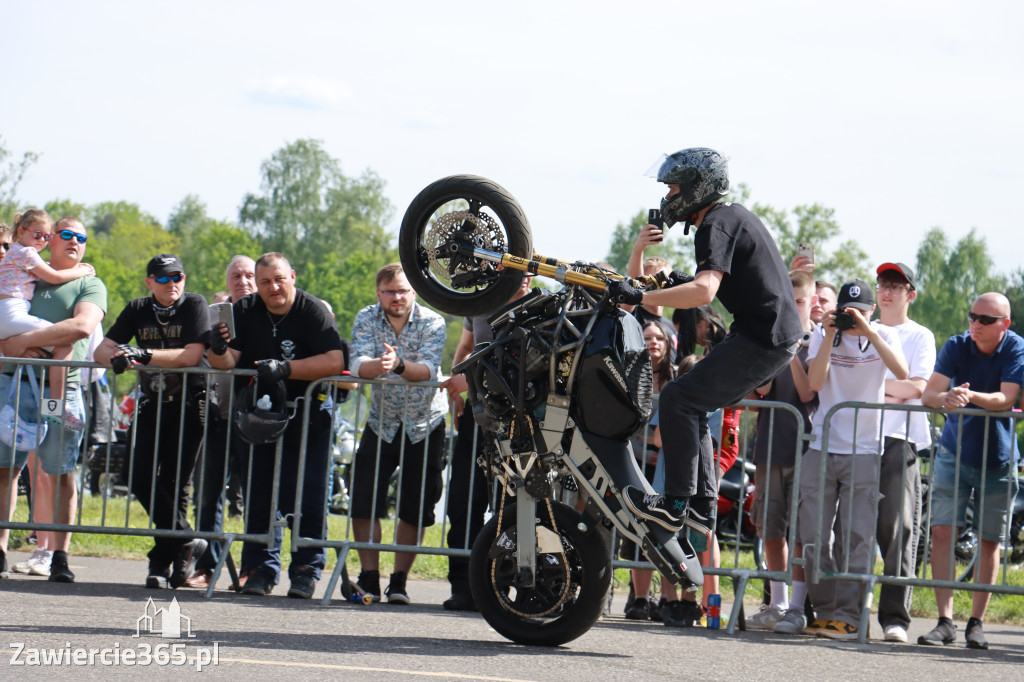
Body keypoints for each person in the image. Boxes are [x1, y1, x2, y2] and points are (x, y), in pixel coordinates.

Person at [609, 148, 803, 551]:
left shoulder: (714, 224)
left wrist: (641, 292)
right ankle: (700, 505)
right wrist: (669, 280)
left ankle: (679, 503)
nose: (668, 196)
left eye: (674, 187)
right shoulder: (730, 216)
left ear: (699, 187)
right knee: (690, 400)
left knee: (678, 398)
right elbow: (718, 285)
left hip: (763, 337)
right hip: (764, 334)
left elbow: (704, 290)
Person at [209, 252, 344, 599]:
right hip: (259, 418)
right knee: (260, 494)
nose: (273, 287)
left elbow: (334, 360)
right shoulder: (244, 310)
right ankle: (259, 570)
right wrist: (218, 347)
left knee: (308, 495)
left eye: (279, 279)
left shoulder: (312, 310)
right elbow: (226, 364)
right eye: (266, 281)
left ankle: (305, 571)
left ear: (292, 277)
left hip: (309, 416)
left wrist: (285, 368)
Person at [0, 216, 106, 583]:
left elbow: (81, 327)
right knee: (6, 470)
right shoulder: (25, 270)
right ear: (49, 240)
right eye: (66, 235)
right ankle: (0, 549)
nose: (74, 241)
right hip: (15, 385)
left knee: (59, 474)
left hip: (62, 394)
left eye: (82, 237)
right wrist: (8, 345)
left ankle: (59, 555)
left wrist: (18, 344)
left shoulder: (90, 282)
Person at [94, 254, 210, 589]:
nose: (172, 283)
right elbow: (101, 350)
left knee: (175, 484)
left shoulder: (195, 304)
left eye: (177, 276)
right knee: (136, 474)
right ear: (149, 282)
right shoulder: (137, 308)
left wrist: (140, 355)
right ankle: (186, 540)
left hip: (190, 403)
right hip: (152, 402)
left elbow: (191, 355)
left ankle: (163, 563)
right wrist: (117, 358)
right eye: (163, 278)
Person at [800, 280, 907, 640]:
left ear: (872, 311)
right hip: (823, 444)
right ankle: (825, 610)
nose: (852, 317)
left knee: (857, 537)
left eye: (860, 311)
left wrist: (868, 332)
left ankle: (848, 614)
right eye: (847, 310)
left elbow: (902, 373)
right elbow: (815, 383)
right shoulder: (822, 332)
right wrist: (831, 334)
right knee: (814, 533)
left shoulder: (885, 336)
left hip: (864, 449)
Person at [919, 292, 1023, 650]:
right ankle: (944, 622)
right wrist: (945, 398)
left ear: (1004, 325)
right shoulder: (956, 344)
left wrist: (967, 395)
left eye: (985, 319)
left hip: (999, 460)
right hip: (953, 453)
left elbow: (1007, 398)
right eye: (971, 316)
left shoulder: (1015, 348)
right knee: (942, 533)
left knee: (989, 540)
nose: (975, 324)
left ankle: (976, 624)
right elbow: (928, 394)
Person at [349, 263, 448, 604]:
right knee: (363, 500)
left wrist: (398, 365)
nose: (397, 297)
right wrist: (380, 366)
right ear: (378, 293)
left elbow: (429, 370)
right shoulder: (366, 317)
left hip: (426, 423)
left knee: (416, 505)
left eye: (403, 290)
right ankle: (369, 576)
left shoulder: (433, 321)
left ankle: (400, 582)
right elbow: (358, 363)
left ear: (414, 292)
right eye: (390, 291)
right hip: (381, 421)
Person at [441, 272, 534, 611]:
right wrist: (457, 389)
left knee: (513, 507)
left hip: (521, 424)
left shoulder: (541, 305)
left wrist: (473, 379)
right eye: (517, 272)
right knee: (464, 503)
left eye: (530, 273)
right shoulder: (479, 305)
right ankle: (463, 586)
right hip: (478, 419)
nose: (525, 279)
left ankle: (506, 585)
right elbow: (465, 350)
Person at [746, 269, 819, 633]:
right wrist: (778, 346)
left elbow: (809, 394)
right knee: (770, 527)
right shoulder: (768, 341)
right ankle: (777, 601)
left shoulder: (819, 343)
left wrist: (794, 347)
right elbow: (756, 394)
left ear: (813, 303)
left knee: (802, 533)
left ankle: (799, 606)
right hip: (769, 449)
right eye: (788, 303)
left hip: (807, 451)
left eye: (801, 302)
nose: (794, 308)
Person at [872, 262, 935, 643]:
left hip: (900, 439)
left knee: (898, 530)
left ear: (910, 294)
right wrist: (895, 386)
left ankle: (895, 617)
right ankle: (844, 610)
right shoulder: (865, 326)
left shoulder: (920, 336)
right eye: (883, 283)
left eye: (896, 285)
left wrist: (872, 391)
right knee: (846, 528)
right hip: (857, 436)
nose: (887, 291)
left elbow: (917, 389)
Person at [185, 255, 256, 588]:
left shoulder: (266, 314)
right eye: (236, 275)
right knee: (207, 493)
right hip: (216, 414)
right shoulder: (214, 314)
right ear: (227, 281)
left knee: (256, 497)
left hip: (254, 419)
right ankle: (207, 565)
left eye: (248, 275)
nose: (242, 281)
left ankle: (252, 568)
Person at [0, 210, 95, 430]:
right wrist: (84, 270)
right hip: (11, 314)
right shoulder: (26, 253)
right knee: (64, 347)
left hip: (8, 315)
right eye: (37, 235)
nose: (41, 240)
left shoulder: (16, 253)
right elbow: (56, 277)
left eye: (46, 237)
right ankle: (56, 407)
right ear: (21, 232)